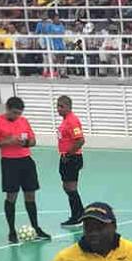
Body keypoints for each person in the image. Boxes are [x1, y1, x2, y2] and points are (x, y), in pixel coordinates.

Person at [0, 96, 49, 243]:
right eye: (14, 113)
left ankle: (36, 227)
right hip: (9, 163)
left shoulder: (24, 121)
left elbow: (33, 141)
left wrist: (26, 142)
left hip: (26, 162)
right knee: (11, 197)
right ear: (7, 109)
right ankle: (11, 231)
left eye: (19, 113)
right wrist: (8, 141)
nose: (17, 116)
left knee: (30, 196)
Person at [54, 95, 86, 227]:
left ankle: (77, 216)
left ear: (68, 106)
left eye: (61, 106)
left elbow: (80, 140)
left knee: (70, 187)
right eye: (57, 106)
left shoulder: (72, 121)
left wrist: (68, 154)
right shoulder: (65, 120)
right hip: (66, 157)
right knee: (67, 187)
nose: (58, 109)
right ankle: (79, 213)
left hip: (72, 158)